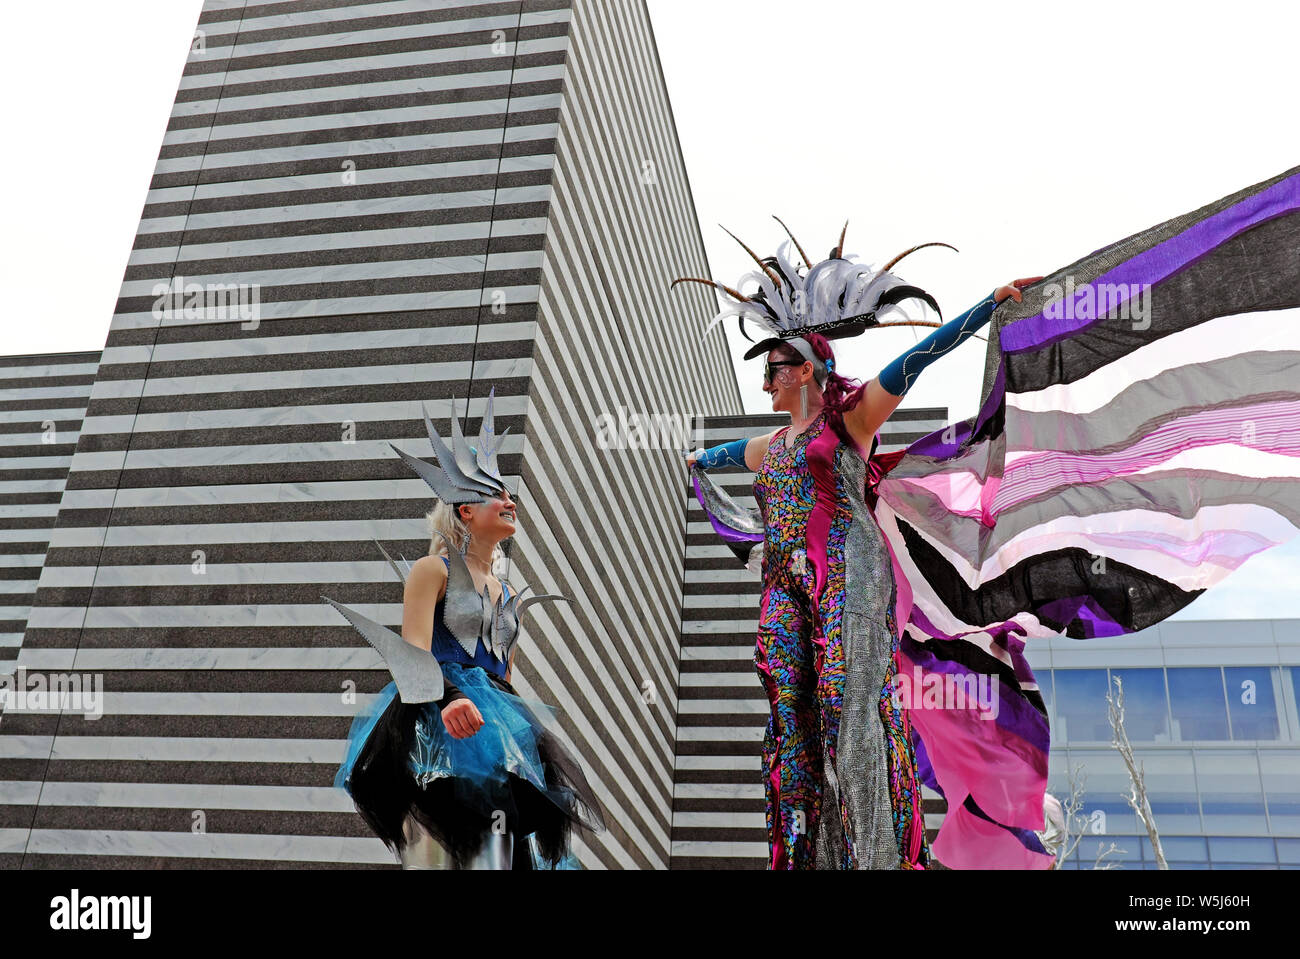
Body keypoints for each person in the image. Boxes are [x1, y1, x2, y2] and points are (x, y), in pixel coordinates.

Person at [680, 222, 1037, 869]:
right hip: (785, 585)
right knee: (789, 716)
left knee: (851, 707)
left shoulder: (851, 420)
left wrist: (987, 305)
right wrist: (699, 460)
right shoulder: (769, 448)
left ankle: (883, 856)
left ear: (809, 367)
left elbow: (918, 358)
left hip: (850, 576)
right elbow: (717, 457)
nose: (766, 384)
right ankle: (797, 855)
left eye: (774, 370)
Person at [323, 391, 605, 869]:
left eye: (509, 493)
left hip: (496, 729)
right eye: (496, 494)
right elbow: (411, 653)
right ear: (464, 510)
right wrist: (450, 697)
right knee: (441, 850)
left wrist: (522, 741)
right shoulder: (431, 570)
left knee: (503, 855)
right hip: (438, 718)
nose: (509, 500)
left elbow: (507, 683)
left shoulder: (506, 593)